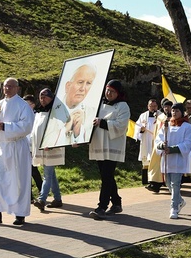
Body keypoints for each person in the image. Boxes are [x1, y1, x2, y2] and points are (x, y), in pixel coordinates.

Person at [0, 77, 34, 226]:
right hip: (1, 147)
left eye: (11, 86)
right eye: (6, 86)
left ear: (17, 88)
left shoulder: (23, 106)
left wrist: (4, 126)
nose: (7, 89)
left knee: (18, 180)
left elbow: (26, 126)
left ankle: (20, 214)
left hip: (16, 147)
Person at [88, 80, 130, 220]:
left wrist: (102, 122)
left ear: (118, 93)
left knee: (106, 176)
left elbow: (121, 125)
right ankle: (117, 203)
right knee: (106, 175)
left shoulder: (123, 106)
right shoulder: (99, 104)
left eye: (112, 91)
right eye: (107, 90)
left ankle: (101, 207)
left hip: (113, 146)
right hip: (99, 144)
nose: (109, 93)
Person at [155, 103, 191, 219]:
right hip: (167, 159)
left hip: (178, 158)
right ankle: (180, 200)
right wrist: (162, 145)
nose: (174, 113)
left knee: (175, 183)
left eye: (177, 111)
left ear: (182, 112)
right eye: (173, 111)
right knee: (168, 183)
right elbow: (158, 139)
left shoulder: (187, 126)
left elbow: (188, 142)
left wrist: (173, 149)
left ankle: (174, 207)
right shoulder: (166, 125)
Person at [44, 63, 97, 147]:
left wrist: (77, 132)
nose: (83, 88)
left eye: (88, 83)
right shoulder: (53, 110)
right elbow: (45, 141)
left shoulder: (91, 113)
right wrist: (66, 128)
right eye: (80, 82)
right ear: (68, 86)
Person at [31, 88, 65, 212]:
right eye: (41, 96)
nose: (42, 99)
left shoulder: (56, 111)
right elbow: (34, 130)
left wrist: (52, 143)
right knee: (51, 174)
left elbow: (60, 129)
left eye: (45, 96)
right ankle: (57, 199)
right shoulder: (39, 112)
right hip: (41, 148)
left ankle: (42, 199)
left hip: (51, 148)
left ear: (51, 97)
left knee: (47, 174)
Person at [146, 98, 172, 193]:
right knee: (156, 164)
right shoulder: (160, 117)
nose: (167, 108)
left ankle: (168, 184)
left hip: (169, 145)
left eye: (169, 107)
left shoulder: (173, 118)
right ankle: (155, 184)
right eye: (165, 106)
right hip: (159, 144)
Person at [23, 93, 44, 195]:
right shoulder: (22, 116)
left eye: (27, 104)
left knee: (33, 171)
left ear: (33, 105)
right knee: (26, 172)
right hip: (23, 146)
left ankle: (42, 191)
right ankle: (30, 195)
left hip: (32, 146)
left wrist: (32, 148)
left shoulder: (36, 116)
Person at [135, 98, 159, 186]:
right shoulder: (143, 116)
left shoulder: (161, 115)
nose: (153, 108)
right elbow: (137, 127)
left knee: (156, 161)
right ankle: (146, 180)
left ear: (157, 106)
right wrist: (141, 130)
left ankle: (155, 181)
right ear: (148, 107)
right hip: (146, 141)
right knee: (146, 161)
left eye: (154, 106)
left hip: (156, 141)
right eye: (151, 106)